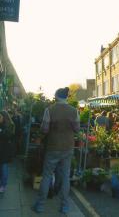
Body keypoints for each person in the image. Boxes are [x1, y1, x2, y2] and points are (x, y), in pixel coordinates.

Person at [32, 87, 80, 215]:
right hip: (68, 147)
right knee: (65, 177)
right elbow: (76, 129)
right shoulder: (74, 111)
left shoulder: (49, 110)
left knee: (47, 175)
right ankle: (64, 206)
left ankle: (40, 206)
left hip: (53, 147)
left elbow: (44, 130)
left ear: (56, 96)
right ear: (66, 97)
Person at [0, 110, 15, 193]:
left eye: (0, 117)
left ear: (4, 117)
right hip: (1, 149)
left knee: (4, 168)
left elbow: (8, 136)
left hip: (5, 151)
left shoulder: (9, 126)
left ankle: (3, 185)